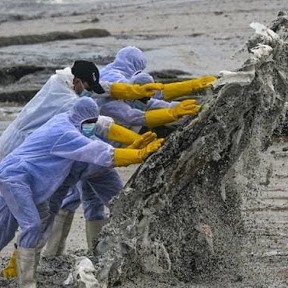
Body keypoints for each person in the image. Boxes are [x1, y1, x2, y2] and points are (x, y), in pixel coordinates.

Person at [0, 96, 163, 287]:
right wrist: (138, 154)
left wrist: (133, 143)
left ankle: (23, 271)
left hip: (29, 181)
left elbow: (99, 130)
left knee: (15, 223)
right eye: (90, 122)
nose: (92, 126)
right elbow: (96, 150)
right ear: (82, 119)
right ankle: (26, 282)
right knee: (32, 225)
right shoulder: (65, 134)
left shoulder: (68, 119)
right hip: (15, 178)